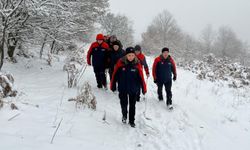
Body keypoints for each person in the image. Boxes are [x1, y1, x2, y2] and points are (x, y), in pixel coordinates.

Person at [110, 47, 147, 127]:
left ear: (135, 56)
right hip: (122, 88)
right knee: (123, 104)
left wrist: (144, 88)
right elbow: (114, 75)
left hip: (133, 89)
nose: (131, 57)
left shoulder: (137, 64)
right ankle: (124, 115)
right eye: (129, 55)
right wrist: (112, 85)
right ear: (126, 55)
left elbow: (141, 77)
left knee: (132, 105)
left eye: (132, 55)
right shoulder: (120, 63)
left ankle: (131, 120)